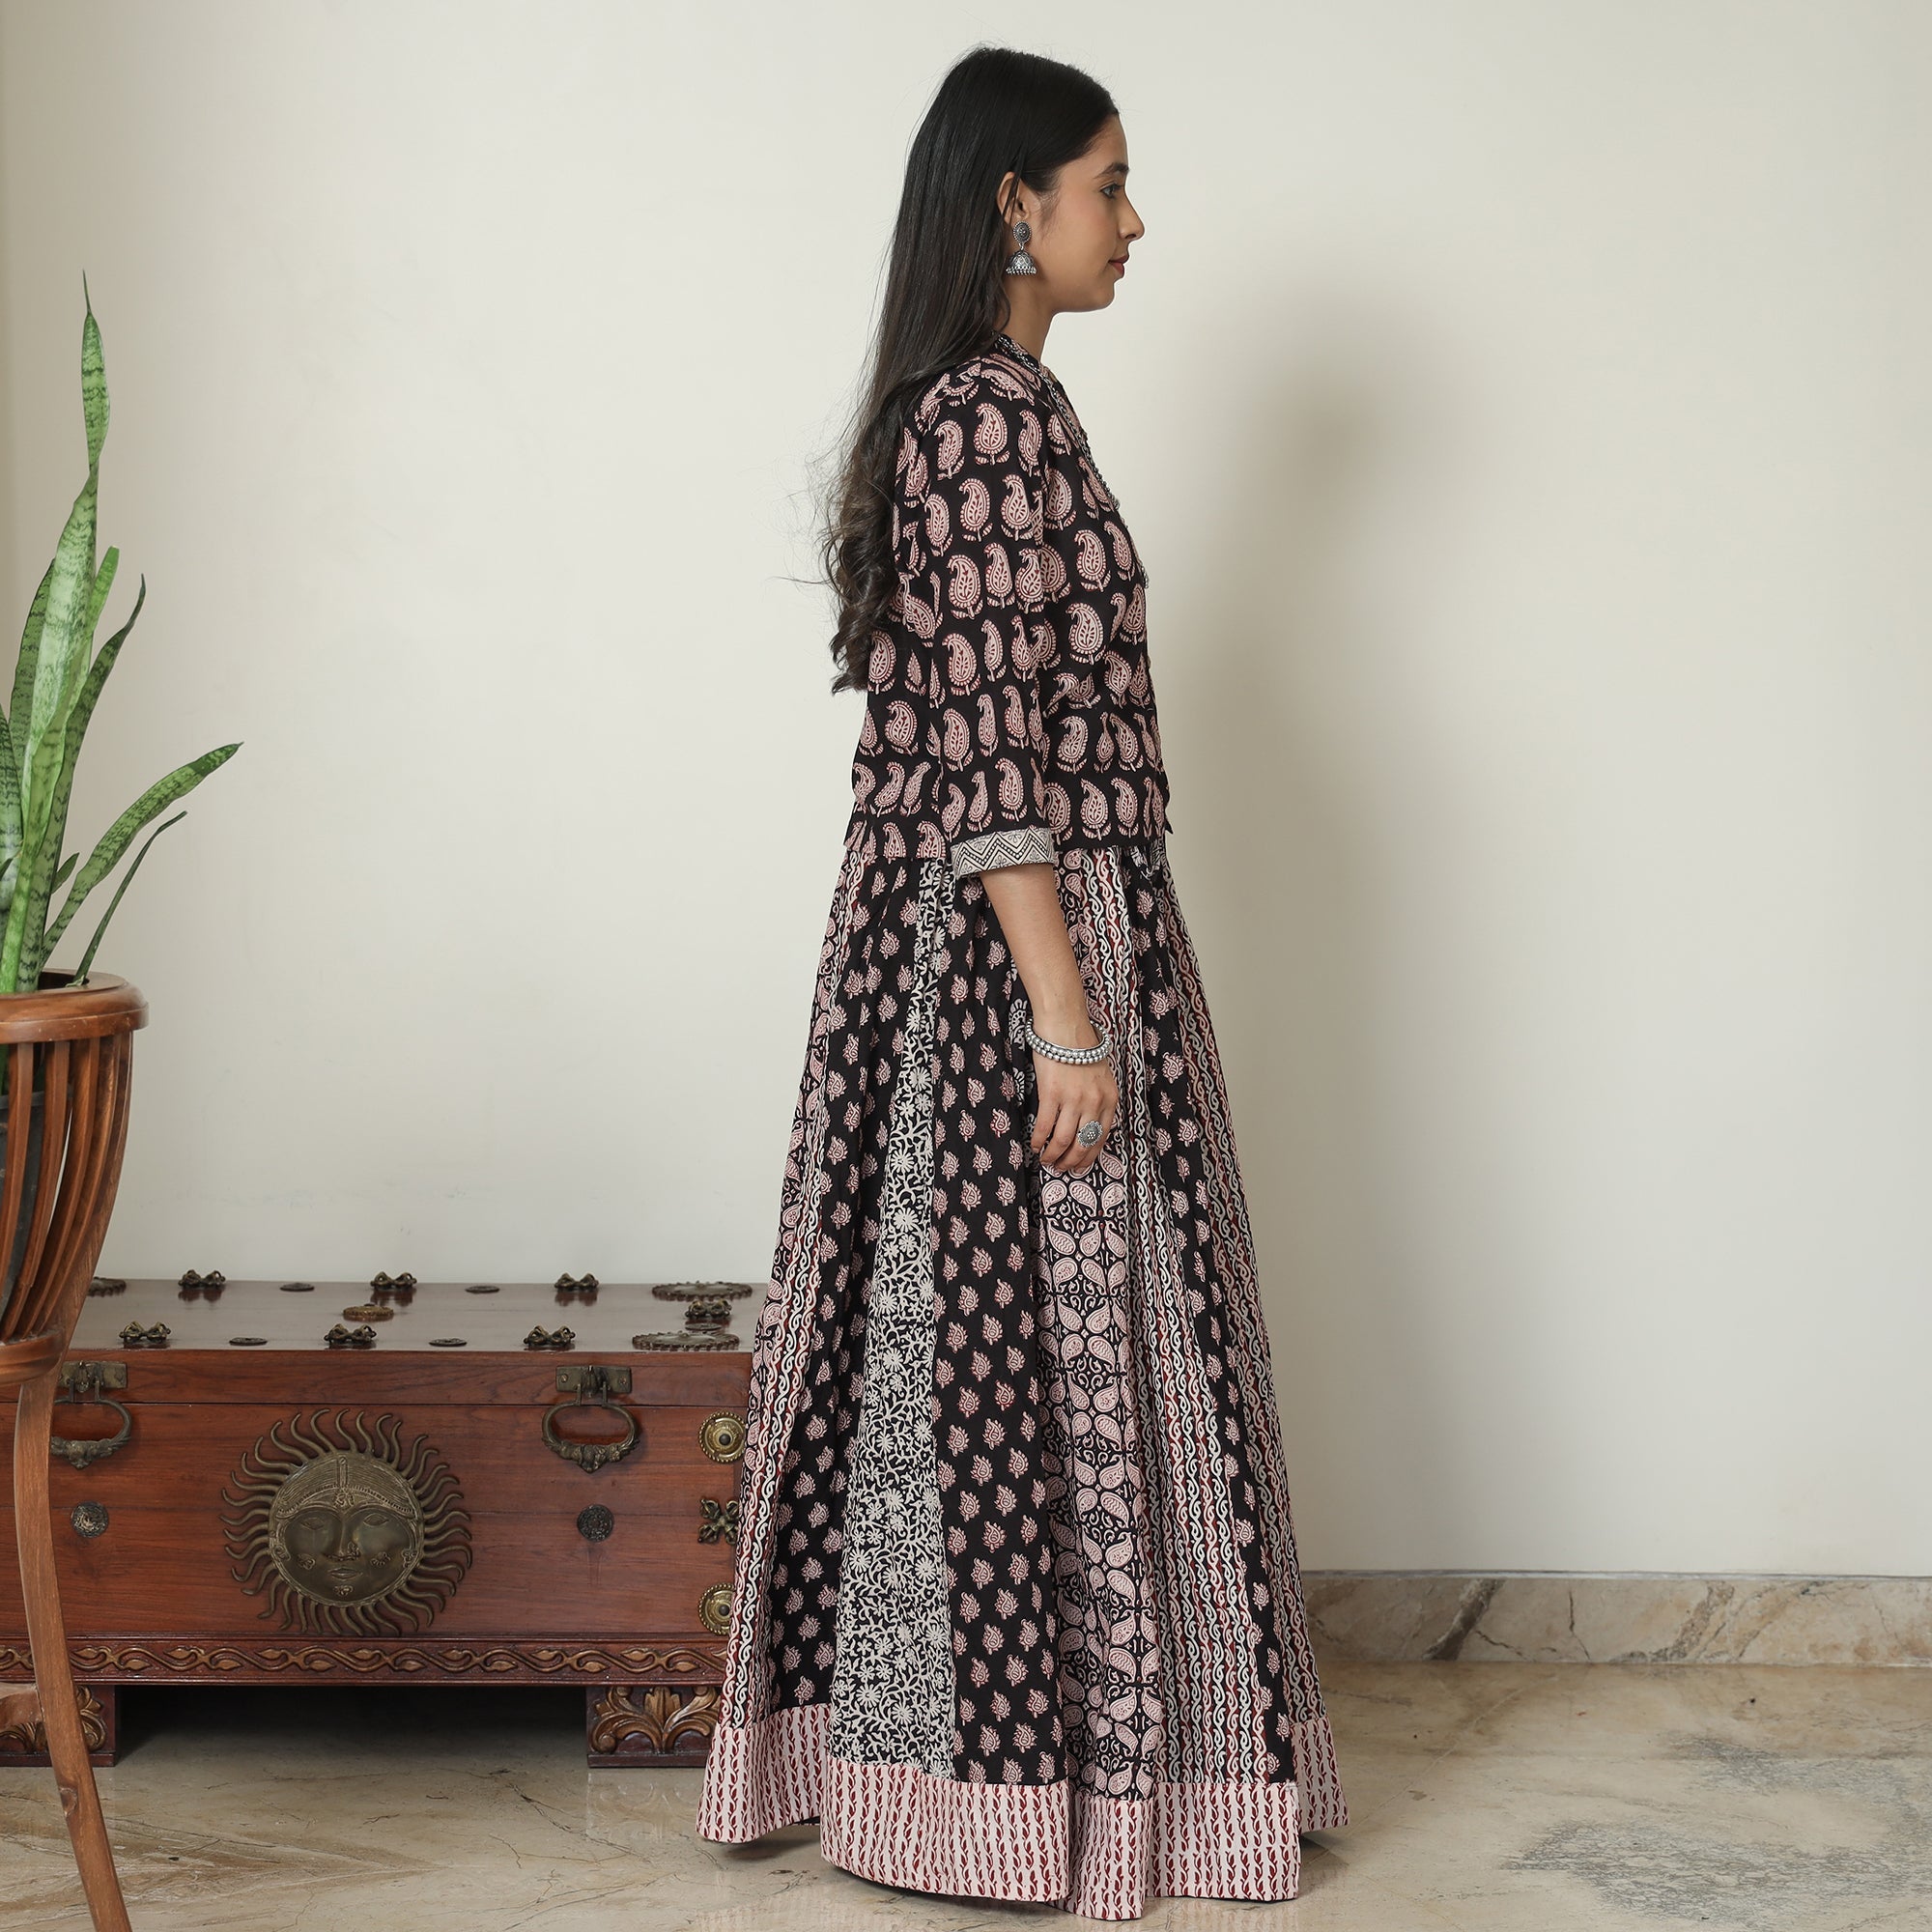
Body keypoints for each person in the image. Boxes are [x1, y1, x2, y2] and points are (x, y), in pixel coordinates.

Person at [696, 43, 1349, 1921]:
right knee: (1014, 1365)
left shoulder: (985, 411)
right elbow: (992, 766)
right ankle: (1025, 1798)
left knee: (1007, 1370)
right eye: (1108, 184)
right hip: (1010, 957)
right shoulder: (988, 424)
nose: (1133, 222)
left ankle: (1016, 1787)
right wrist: (1066, 1018)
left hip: (1005, 933)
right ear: (1014, 203)